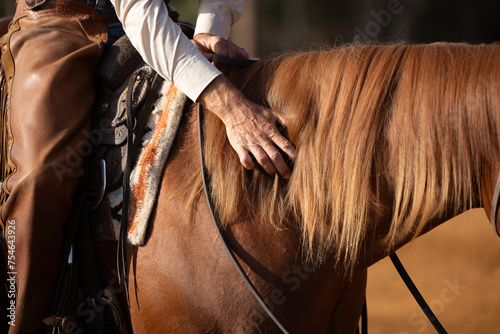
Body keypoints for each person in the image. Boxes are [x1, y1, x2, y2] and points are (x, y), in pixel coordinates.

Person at [0, 0, 297, 332]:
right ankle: (19, 320)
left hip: (160, 24)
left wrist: (210, 28)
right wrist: (231, 107)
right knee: (40, 176)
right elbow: (138, 10)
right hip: (56, 21)